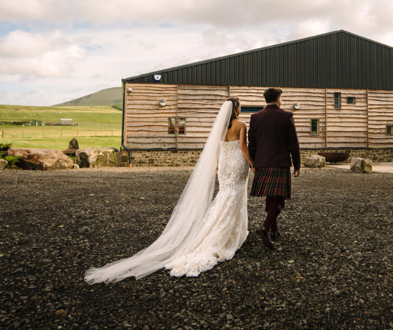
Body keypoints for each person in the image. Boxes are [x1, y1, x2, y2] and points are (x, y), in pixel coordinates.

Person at [84, 98, 253, 283]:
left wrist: (217, 165)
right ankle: (229, 234)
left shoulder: (220, 127)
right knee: (235, 196)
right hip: (237, 163)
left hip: (225, 165)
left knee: (224, 196)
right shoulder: (241, 124)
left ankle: (219, 229)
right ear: (236, 109)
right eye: (239, 107)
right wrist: (252, 163)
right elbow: (243, 147)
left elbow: (218, 149)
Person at [248, 88, 301, 250]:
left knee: (272, 194)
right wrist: (297, 164)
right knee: (280, 197)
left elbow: (253, 144)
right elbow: (293, 143)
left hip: (262, 162)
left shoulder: (255, 117)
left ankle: (274, 230)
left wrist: (252, 163)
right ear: (278, 99)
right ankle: (265, 227)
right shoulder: (286, 116)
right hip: (280, 162)